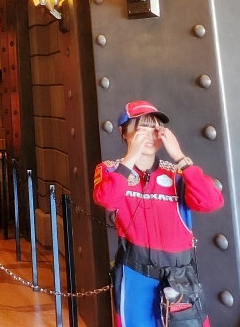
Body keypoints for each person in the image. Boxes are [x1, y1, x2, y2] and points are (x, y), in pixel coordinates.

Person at [93, 100, 224, 327]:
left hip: (180, 277)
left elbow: (211, 202)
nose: (150, 136)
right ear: (125, 133)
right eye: (141, 128)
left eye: (155, 129)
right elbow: (107, 199)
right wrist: (129, 161)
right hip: (136, 275)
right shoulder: (110, 169)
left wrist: (181, 158)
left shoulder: (176, 173)